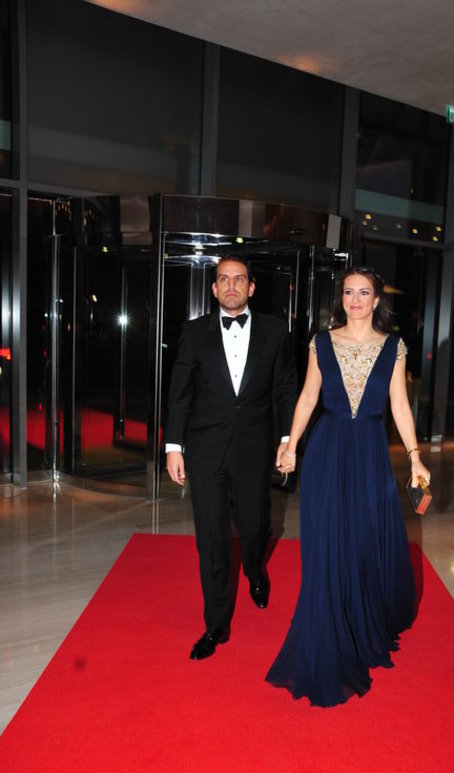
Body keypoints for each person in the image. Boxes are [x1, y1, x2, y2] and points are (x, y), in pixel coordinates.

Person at [266, 266, 430, 707]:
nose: (355, 300)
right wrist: (291, 445)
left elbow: (399, 405)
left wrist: (415, 457)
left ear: (376, 300)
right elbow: (308, 398)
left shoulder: (394, 348)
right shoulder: (321, 343)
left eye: (364, 292)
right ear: (341, 298)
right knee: (326, 546)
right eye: (348, 292)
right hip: (327, 451)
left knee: (362, 543)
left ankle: (359, 627)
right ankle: (326, 636)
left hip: (371, 455)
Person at [165, 256, 298, 661]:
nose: (231, 286)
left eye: (239, 279)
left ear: (251, 287)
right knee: (211, 538)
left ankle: (255, 570)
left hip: (254, 448)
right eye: (223, 279)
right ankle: (215, 623)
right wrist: (173, 447)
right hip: (205, 449)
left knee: (255, 527)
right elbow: (180, 392)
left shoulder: (275, 331)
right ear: (214, 288)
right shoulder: (194, 333)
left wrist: (287, 439)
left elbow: (286, 388)